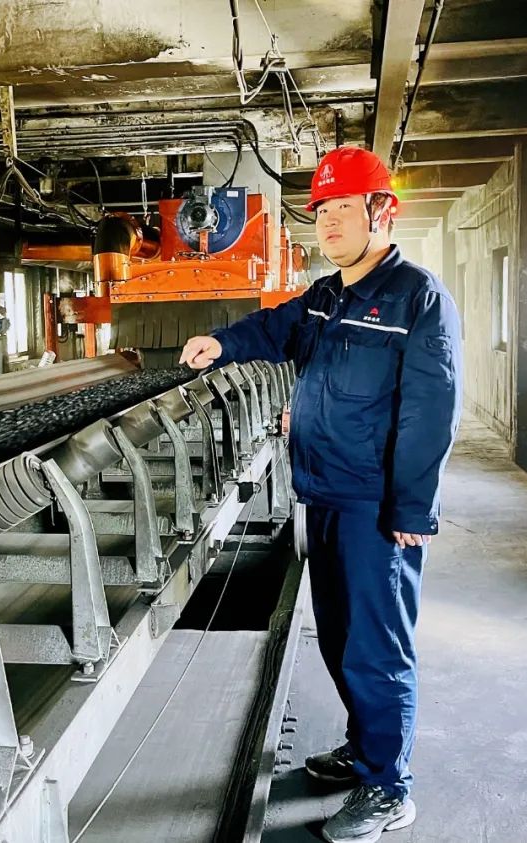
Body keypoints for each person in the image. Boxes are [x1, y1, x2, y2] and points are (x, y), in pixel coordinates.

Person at [179, 146, 462, 843]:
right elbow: (273, 326)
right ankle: (365, 749)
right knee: (337, 637)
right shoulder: (326, 296)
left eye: (343, 208)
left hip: (376, 508)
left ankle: (389, 787)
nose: (329, 222)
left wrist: (411, 507)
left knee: (376, 648)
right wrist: (221, 342)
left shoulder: (417, 298)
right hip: (324, 494)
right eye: (323, 210)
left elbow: (431, 411)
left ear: (381, 211)